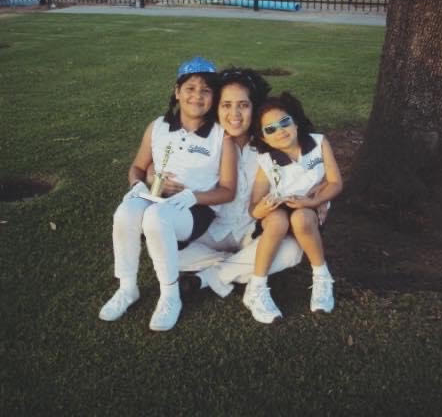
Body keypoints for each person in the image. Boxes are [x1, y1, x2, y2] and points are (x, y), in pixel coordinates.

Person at [99, 57, 237, 331]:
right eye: (190, 88)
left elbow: (228, 191)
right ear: (177, 91)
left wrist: (194, 196)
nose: (197, 96)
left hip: (196, 209)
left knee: (155, 218)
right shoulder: (158, 126)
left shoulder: (221, 135)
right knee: (125, 212)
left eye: (206, 90)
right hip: (157, 197)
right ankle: (127, 288)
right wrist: (139, 184)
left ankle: (170, 294)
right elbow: (137, 167)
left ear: (213, 97)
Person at [176, 69, 323, 298]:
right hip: (211, 229)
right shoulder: (206, 142)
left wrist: (319, 196)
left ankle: (208, 277)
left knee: (293, 251)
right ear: (217, 107)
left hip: (252, 231)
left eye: (243, 105)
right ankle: (236, 266)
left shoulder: (272, 140)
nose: (234, 113)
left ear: (254, 107)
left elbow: (307, 169)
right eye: (226, 105)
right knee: (168, 253)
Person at [243, 91, 343, 324]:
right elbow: (253, 209)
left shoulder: (318, 143)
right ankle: (256, 287)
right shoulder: (266, 161)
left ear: (296, 122)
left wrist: (313, 202)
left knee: (301, 219)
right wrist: (265, 206)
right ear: (264, 138)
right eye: (270, 129)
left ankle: (321, 276)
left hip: (309, 208)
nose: (280, 131)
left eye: (284, 122)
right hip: (277, 210)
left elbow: (336, 182)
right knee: (278, 221)